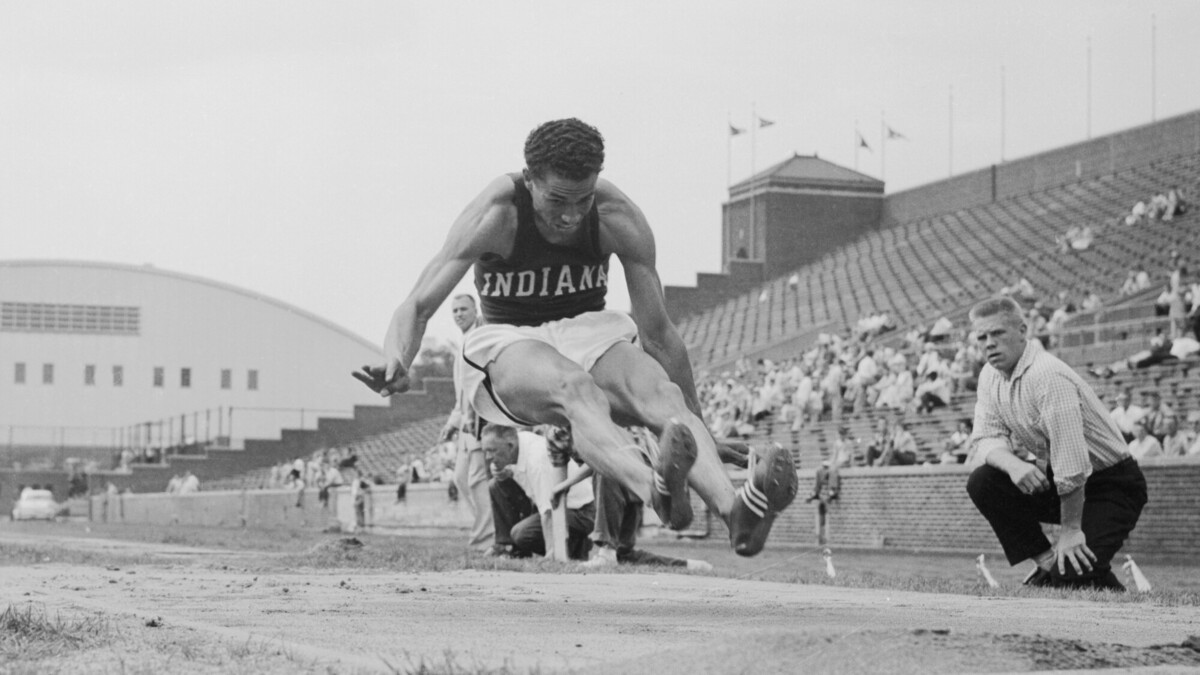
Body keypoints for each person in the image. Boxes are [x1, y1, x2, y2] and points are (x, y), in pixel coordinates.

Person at [353, 118, 795, 556]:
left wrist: (701, 428)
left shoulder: (618, 217)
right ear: (529, 180)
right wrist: (397, 357)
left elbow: (658, 334)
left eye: (583, 200)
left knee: (660, 395)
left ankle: (734, 510)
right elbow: (417, 304)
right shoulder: (496, 215)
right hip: (511, 338)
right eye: (557, 200)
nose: (570, 215)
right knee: (575, 389)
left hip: (587, 328)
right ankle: (654, 490)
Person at [965, 297, 1147, 591]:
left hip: (1112, 484)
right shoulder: (989, 375)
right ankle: (1047, 562)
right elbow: (985, 439)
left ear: (1022, 331)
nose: (989, 343)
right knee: (983, 481)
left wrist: (1071, 530)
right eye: (982, 336)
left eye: (998, 333)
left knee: (1070, 576)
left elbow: (1072, 464)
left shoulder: (1047, 375)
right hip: (1060, 478)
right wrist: (1012, 465)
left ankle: (1065, 577)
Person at [484, 425, 594, 560]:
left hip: (579, 512)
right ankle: (508, 547)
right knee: (497, 485)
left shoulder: (537, 460)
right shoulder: (519, 441)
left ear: (510, 446)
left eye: (492, 451)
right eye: (486, 451)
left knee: (521, 533)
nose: (488, 457)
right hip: (546, 504)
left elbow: (548, 511)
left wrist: (551, 552)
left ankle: (571, 547)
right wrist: (508, 471)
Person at [442, 293, 495, 551]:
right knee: (460, 478)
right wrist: (453, 422)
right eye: (454, 311)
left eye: (463, 309)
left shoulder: (483, 335)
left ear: (475, 310)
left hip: (483, 420)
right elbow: (461, 392)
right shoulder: (462, 342)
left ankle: (486, 537)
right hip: (465, 421)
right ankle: (490, 527)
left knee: (476, 479)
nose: (459, 314)